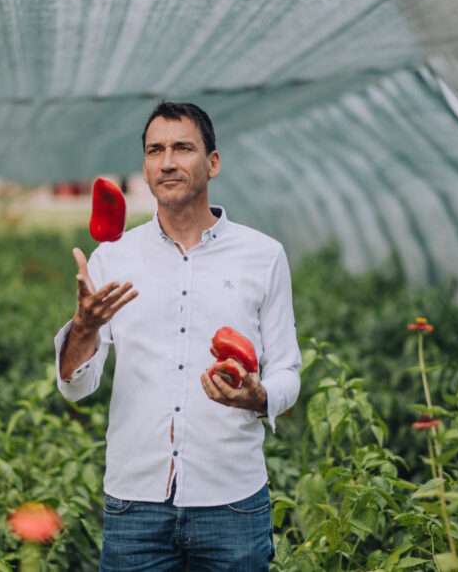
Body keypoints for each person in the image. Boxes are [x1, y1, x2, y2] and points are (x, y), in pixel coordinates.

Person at [54, 101, 301, 571]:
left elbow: (288, 369)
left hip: (232, 501)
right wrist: (82, 327)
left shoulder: (263, 256)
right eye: (155, 151)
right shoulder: (112, 258)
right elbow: (75, 387)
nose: (167, 161)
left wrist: (260, 396)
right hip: (135, 505)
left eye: (183, 148)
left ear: (213, 162)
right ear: (145, 168)